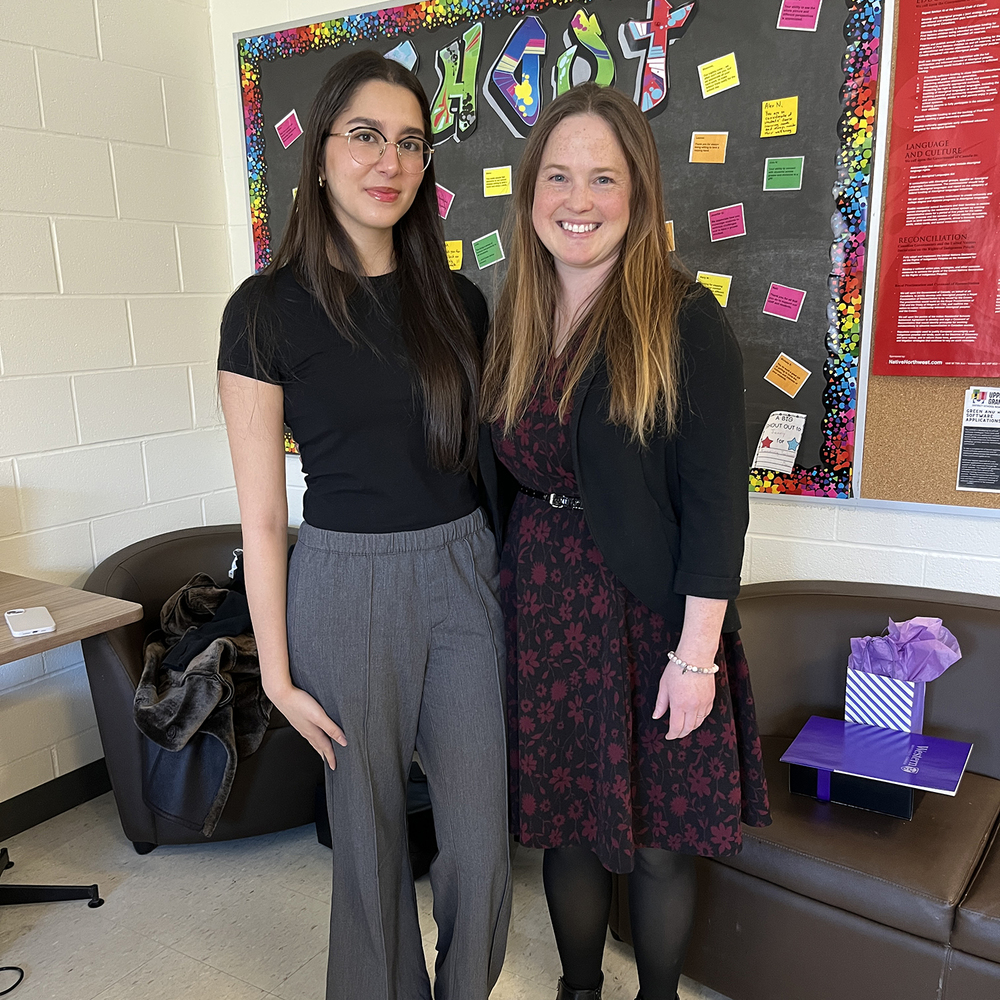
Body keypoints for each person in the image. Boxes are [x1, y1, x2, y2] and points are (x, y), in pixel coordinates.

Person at [218, 50, 511, 1000]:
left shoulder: (458, 300)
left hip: (466, 570)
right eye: (366, 136)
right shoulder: (263, 312)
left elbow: (489, 462)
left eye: (411, 143)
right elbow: (262, 517)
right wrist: (273, 669)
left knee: (479, 837)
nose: (389, 161)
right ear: (322, 154)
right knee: (372, 838)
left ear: (427, 167)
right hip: (345, 584)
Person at [480, 84, 770, 1000]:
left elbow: (720, 506)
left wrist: (697, 657)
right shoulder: (515, 320)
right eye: (559, 176)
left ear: (638, 197)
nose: (580, 199)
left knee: (651, 841)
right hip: (545, 611)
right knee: (566, 825)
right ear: (530, 196)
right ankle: (577, 989)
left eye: (604, 178)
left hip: (653, 620)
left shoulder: (685, 321)